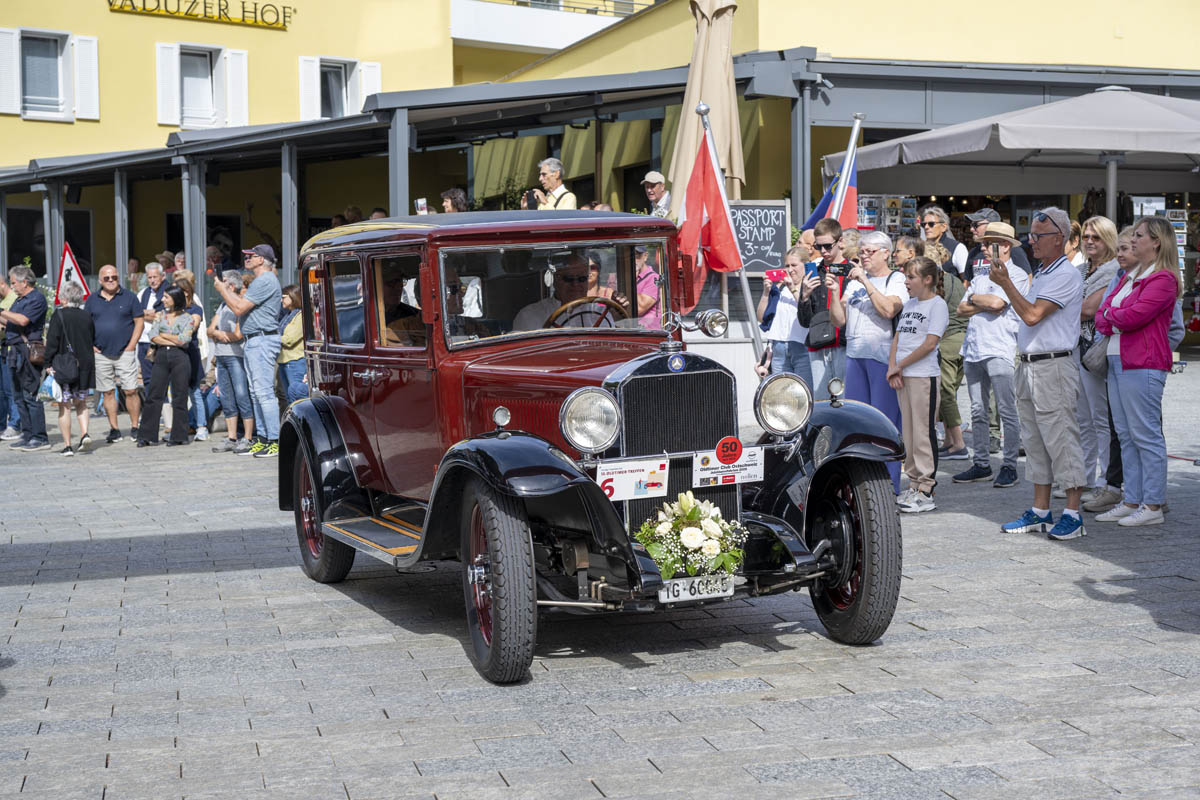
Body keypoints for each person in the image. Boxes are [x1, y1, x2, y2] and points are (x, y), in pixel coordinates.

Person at [990, 207, 1087, 541]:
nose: (1031, 241)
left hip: (1053, 365)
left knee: (1061, 438)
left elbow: (1032, 315)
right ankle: (1041, 511)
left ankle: (1073, 514)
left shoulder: (1064, 274)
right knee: (1035, 441)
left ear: (1059, 238)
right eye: (1031, 235)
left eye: (1038, 236)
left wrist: (1006, 283)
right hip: (1033, 363)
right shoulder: (1045, 272)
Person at [1091, 217, 1181, 528]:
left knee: (1145, 435)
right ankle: (1132, 500)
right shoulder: (1130, 276)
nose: (1133, 240)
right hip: (1119, 360)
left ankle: (1152, 504)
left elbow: (1134, 316)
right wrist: (1115, 316)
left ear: (1156, 241)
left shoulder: (1163, 279)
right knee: (1126, 435)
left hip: (1143, 362)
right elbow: (1102, 315)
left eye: (1139, 235)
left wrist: (1113, 316)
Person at [952, 222, 1029, 489]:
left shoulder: (1016, 274)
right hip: (974, 347)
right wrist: (981, 301)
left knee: (1007, 409)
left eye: (988, 244)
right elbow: (961, 308)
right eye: (983, 243)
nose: (983, 248)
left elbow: (998, 304)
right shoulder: (981, 274)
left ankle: (1009, 465)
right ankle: (982, 463)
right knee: (977, 410)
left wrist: (976, 300)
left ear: (1005, 246)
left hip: (999, 346)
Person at [829, 231, 908, 492]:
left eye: (869, 251)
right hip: (855, 355)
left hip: (882, 357)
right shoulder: (853, 283)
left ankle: (889, 486)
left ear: (886, 253)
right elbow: (838, 320)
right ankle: (861, 485)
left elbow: (889, 310)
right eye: (861, 251)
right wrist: (834, 292)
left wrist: (865, 280)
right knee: (857, 423)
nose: (864, 256)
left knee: (884, 423)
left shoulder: (896, 279)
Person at [888, 256, 949, 514]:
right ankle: (913, 483)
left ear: (927, 279)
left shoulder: (937, 305)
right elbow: (898, 337)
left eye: (911, 277)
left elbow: (930, 344)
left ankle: (926, 488)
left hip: (924, 376)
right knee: (909, 433)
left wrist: (900, 365)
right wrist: (893, 367)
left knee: (924, 432)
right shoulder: (910, 304)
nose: (906, 281)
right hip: (905, 376)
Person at [214, 244, 282, 459]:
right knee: (255, 393)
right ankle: (263, 438)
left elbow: (238, 308)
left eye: (251, 256)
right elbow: (240, 305)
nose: (247, 259)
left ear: (262, 259)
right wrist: (226, 290)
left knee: (263, 393)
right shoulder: (261, 280)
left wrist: (222, 289)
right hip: (255, 340)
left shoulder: (264, 280)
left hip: (262, 339)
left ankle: (274, 441)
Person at [1073, 216, 1121, 498]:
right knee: (1082, 418)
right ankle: (1085, 476)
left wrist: (1062, 306)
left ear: (1108, 239)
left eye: (1096, 237)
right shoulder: (1080, 269)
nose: (1090, 241)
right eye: (1086, 236)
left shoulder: (1114, 270)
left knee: (1100, 417)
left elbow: (1088, 310)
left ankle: (1106, 480)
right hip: (1075, 347)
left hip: (1096, 350)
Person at [84, 264, 144, 446]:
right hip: (101, 353)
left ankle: (135, 427)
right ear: (100, 280)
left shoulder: (130, 297)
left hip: (125, 351)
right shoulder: (92, 300)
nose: (111, 280)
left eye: (114, 277)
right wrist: (91, 345)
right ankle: (114, 429)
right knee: (108, 392)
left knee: (131, 390)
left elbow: (139, 322)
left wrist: (131, 346)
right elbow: (85, 325)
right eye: (107, 278)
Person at [796, 218, 850, 400]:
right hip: (818, 345)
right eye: (819, 247)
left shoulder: (852, 270)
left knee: (846, 402)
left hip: (845, 345)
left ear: (840, 242)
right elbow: (805, 322)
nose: (824, 251)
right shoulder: (813, 272)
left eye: (828, 246)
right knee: (821, 403)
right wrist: (804, 297)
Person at [0, 266, 50, 451]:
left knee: (30, 394)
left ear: (25, 282)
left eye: (14, 283)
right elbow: (11, 321)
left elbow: (22, 320)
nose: (12, 286)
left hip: (27, 351)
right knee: (18, 396)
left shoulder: (36, 298)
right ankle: (28, 434)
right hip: (13, 351)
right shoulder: (19, 299)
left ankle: (40, 437)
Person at [136, 286, 192, 447]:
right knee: (154, 394)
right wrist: (174, 339)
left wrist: (165, 335)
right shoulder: (160, 315)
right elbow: (153, 336)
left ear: (175, 298)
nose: (163, 299)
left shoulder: (187, 318)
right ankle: (146, 435)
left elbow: (185, 340)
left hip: (180, 357)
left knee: (180, 396)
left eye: (166, 297)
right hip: (161, 356)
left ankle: (179, 436)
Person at [44, 282, 96, 456]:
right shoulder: (86, 316)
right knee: (81, 403)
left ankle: (67, 446)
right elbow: (92, 338)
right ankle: (85, 434)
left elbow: (52, 342)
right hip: (84, 366)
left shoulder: (59, 315)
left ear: (64, 298)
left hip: (65, 366)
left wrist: (47, 363)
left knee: (64, 406)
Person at [207, 271, 254, 454]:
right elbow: (210, 330)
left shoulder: (239, 305)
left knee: (242, 396)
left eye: (224, 281)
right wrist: (219, 334)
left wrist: (218, 333)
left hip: (236, 356)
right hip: (221, 356)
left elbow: (238, 335)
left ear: (232, 286)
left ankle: (248, 437)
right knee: (227, 398)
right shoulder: (222, 305)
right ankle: (232, 437)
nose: (219, 283)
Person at [755, 245, 814, 389]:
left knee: (804, 390)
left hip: (802, 346)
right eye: (787, 265)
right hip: (779, 346)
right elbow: (761, 317)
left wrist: (793, 288)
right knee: (782, 392)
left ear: (805, 265)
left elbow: (807, 311)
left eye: (794, 265)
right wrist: (766, 292)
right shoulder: (780, 288)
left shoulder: (810, 287)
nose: (790, 269)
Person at [513, 252, 608, 331]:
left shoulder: (601, 313)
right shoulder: (529, 315)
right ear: (556, 280)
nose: (575, 284)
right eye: (568, 278)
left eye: (582, 279)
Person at [171, 271, 208, 441]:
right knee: (178, 393)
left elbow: (192, 327)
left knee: (195, 392)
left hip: (190, 353)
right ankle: (181, 427)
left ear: (186, 292)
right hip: (175, 354)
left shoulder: (194, 308)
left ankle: (201, 426)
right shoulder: (172, 310)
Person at [963, 209, 1031, 277]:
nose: (971, 229)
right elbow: (967, 281)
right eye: (971, 225)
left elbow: (1028, 278)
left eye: (975, 225)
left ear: (991, 225)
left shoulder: (1011, 250)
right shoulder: (974, 252)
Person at [136, 262, 168, 406]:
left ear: (162, 276)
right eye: (150, 277)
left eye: (155, 277)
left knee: (162, 378)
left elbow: (165, 316)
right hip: (144, 341)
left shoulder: (168, 292)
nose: (152, 280)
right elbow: (135, 314)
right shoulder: (143, 293)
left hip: (161, 342)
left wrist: (147, 314)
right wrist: (151, 314)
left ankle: (165, 410)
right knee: (147, 379)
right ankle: (152, 409)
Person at [0, 275, 24, 440]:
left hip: (11, 350)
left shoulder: (14, 300)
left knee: (12, 390)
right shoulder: (3, 301)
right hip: (2, 349)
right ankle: (2, 425)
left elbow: (13, 323)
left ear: (2, 284)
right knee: (2, 392)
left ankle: (15, 424)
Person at [277, 283, 307, 406]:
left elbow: (290, 340)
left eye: (283, 297)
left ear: (293, 296)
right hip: (284, 362)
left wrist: (271, 338)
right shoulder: (288, 315)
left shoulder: (300, 316)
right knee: (289, 399)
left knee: (297, 400)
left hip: (295, 362)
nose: (281, 300)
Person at [920, 206, 968, 277]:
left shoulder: (958, 248)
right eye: (923, 224)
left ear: (943, 227)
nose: (926, 227)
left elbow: (966, 279)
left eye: (931, 224)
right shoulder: (920, 247)